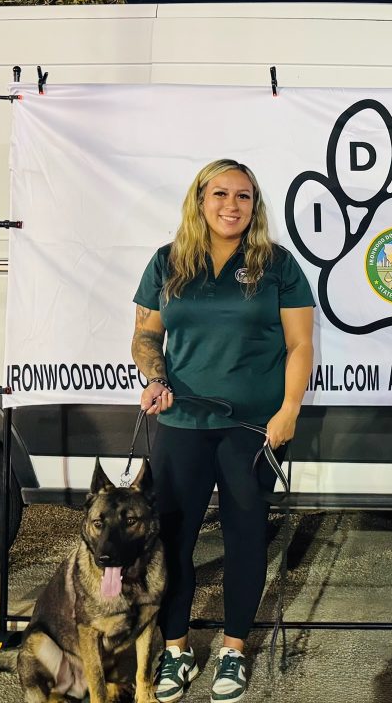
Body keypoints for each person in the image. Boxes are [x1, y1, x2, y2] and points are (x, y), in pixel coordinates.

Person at [131, 159, 314, 703]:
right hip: (181, 422)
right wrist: (156, 378)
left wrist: (289, 411)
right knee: (172, 543)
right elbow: (145, 336)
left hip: (252, 428)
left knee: (244, 540)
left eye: (243, 196)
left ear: (254, 205)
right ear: (200, 199)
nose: (231, 206)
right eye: (220, 194)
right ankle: (178, 649)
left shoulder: (277, 265)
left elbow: (301, 345)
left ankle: (234, 650)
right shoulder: (168, 263)